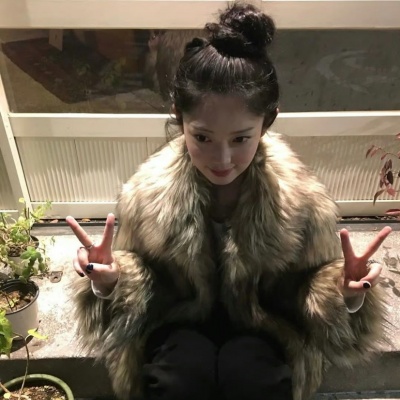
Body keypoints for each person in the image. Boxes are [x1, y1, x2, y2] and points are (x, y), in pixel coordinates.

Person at [66, 3, 392, 400]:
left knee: (252, 373)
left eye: (241, 139)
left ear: (267, 122)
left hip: (265, 331)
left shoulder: (301, 201)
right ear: (179, 119)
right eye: (202, 137)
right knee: (178, 375)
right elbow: (151, 287)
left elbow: (302, 291)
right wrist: (111, 282)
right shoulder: (147, 196)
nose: (222, 160)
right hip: (177, 331)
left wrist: (344, 293)